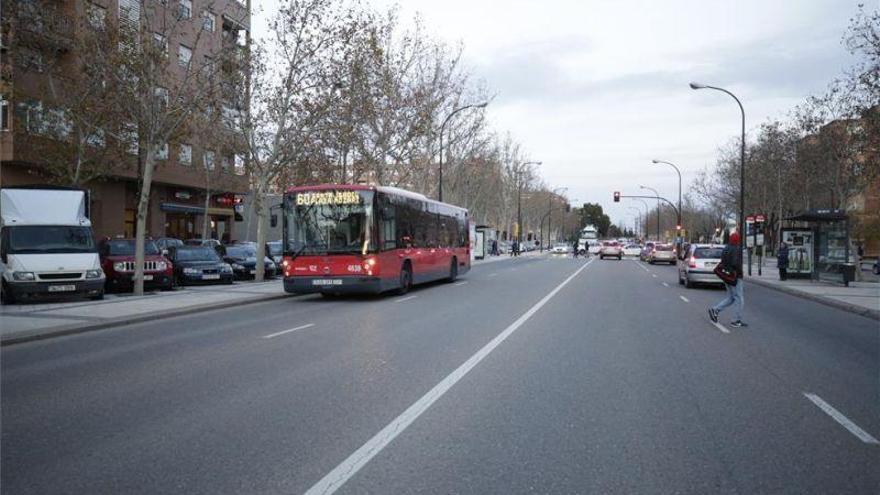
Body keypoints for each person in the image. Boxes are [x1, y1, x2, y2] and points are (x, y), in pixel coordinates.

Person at [708, 232, 747, 327]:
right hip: (735, 276)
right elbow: (735, 263)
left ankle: (715, 310)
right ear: (737, 240)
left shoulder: (726, 248)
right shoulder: (736, 249)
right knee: (739, 299)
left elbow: (724, 261)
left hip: (726, 276)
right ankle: (736, 320)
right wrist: (739, 272)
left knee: (731, 298)